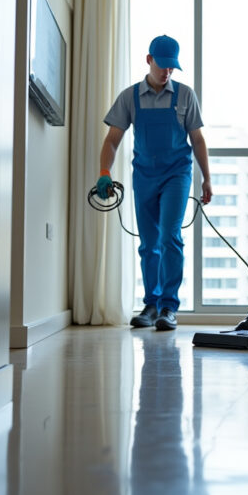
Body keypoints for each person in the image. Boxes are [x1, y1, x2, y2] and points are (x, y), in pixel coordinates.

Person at [96, 35, 212, 331]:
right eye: (163, 65)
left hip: (177, 174)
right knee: (149, 243)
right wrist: (104, 172)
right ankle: (150, 304)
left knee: (169, 236)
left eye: (172, 67)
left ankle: (168, 308)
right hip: (144, 176)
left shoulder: (186, 95)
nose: (167, 72)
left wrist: (206, 179)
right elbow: (112, 140)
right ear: (149, 60)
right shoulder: (129, 97)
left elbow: (197, 139)